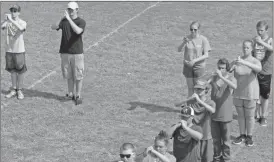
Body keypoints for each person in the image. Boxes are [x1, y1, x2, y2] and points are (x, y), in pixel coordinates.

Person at [51, 1, 86, 105]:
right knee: (68, 75)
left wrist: (69, 19)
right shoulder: (64, 21)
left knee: (78, 76)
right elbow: (53, 26)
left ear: (77, 10)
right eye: (69, 9)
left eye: (72, 9)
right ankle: (70, 94)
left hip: (77, 53)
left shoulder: (81, 21)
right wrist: (62, 18)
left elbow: (78, 31)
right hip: (65, 52)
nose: (70, 11)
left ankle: (78, 95)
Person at [230, 40, 262, 147]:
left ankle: (250, 137)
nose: (245, 49)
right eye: (244, 47)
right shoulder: (238, 60)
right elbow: (228, 70)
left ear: (252, 49)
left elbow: (259, 69)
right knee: (241, 115)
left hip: (251, 93)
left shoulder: (255, 61)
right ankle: (242, 135)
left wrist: (244, 62)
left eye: (248, 47)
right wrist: (233, 63)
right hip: (238, 92)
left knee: (249, 116)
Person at [208, 58, 237, 162]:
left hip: (225, 116)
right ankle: (216, 157)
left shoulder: (231, 78)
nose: (220, 70)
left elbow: (234, 86)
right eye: (219, 68)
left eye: (223, 68)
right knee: (215, 140)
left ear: (227, 68)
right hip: (214, 114)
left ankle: (226, 158)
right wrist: (211, 77)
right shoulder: (215, 77)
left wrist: (221, 77)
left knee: (226, 141)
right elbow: (204, 86)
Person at [178, 21, 211, 97]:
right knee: (190, 88)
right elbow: (179, 49)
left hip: (198, 67)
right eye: (191, 29)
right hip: (188, 66)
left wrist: (194, 61)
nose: (193, 31)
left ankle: (198, 106)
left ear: (198, 30)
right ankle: (190, 106)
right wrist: (183, 43)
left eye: (195, 29)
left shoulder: (203, 39)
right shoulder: (187, 38)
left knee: (198, 88)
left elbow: (206, 55)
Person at [1, 5, 27, 100]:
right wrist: (5, 20)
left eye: (15, 11)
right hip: (9, 50)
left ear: (19, 12)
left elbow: (21, 29)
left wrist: (11, 21)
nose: (13, 13)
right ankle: (13, 89)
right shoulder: (8, 22)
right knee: (12, 71)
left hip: (19, 50)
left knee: (20, 71)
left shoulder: (23, 22)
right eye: (12, 11)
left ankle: (19, 90)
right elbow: (1, 26)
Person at [186, 80, 216, 162]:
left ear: (206, 90)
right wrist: (189, 99)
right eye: (196, 89)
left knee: (207, 159)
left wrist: (199, 101)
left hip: (206, 136)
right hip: (194, 135)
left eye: (200, 89)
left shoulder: (211, 102)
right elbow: (177, 105)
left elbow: (212, 110)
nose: (198, 91)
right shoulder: (191, 101)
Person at [252, 20, 273, 126]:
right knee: (255, 94)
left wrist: (261, 42)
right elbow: (251, 53)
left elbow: (272, 48)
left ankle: (263, 116)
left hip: (266, 72)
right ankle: (256, 114)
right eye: (258, 30)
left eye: (261, 30)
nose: (259, 32)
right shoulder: (255, 40)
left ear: (266, 30)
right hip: (255, 70)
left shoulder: (269, 40)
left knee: (264, 96)